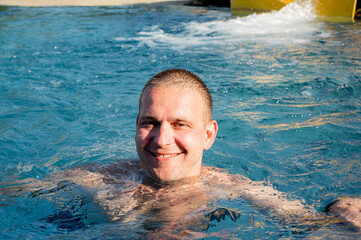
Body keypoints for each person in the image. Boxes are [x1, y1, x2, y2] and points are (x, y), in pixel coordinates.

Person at [3, 69, 360, 237]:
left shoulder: (236, 189)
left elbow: (308, 224)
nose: (161, 139)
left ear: (208, 135)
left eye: (180, 124)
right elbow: (12, 193)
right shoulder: (96, 179)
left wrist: (337, 209)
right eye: (149, 122)